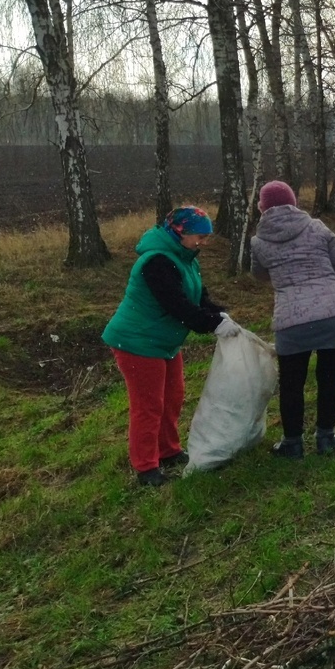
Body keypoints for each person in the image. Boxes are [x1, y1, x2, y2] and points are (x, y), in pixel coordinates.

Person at [102, 206, 237, 487]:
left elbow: (199, 299)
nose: (204, 242)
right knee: (148, 406)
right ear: (179, 233)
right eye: (199, 236)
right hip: (137, 341)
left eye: (206, 237)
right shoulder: (156, 262)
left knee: (173, 396)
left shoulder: (186, 259)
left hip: (163, 341)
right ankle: (146, 467)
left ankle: (168, 450)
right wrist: (211, 324)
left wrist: (219, 314)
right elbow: (178, 306)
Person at [250, 180, 335, 458]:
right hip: (334, 314)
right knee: (330, 377)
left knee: (291, 383)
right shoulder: (317, 227)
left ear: (262, 208)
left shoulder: (259, 241)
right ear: (293, 201)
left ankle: (292, 443)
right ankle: (326, 437)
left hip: (291, 320)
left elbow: (259, 274)